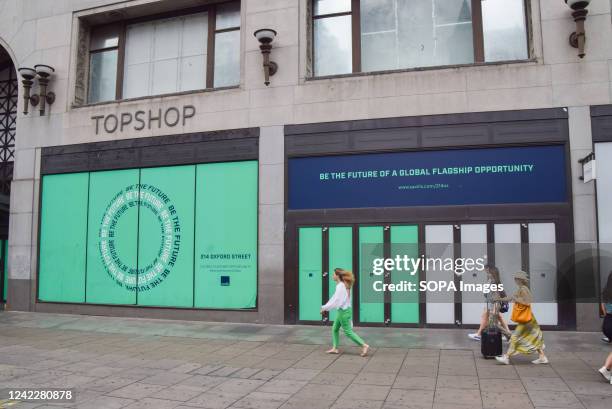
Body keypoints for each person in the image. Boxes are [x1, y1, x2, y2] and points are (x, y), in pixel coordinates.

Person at [495, 271, 549, 365]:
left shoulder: (523, 289)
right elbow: (511, 297)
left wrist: (516, 300)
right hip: (529, 319)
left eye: (516, 278)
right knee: (533, 337)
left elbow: (527, 302)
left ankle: (506, 357)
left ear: (520, 280)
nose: (515, 280)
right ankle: (542, 357)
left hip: (526, 320)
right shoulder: (521, 288)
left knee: (515, 337)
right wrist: (499, 299)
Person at [321, 268, 370, 357]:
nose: (332, 276)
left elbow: (336, 300)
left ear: (337, 276)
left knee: (348, 331)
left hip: (343, 312)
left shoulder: (341, 286)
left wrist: (325, 308)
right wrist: (326, 308)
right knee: (335, 329)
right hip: (343, 311)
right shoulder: (343, 285)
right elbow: (336, 299)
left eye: (333, 274)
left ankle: (364, 345)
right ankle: (335, 348)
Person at [468, 265, 512, 342]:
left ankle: (479, 334)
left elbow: (495, 294)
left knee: (492, 322)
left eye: (488, 271)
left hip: (492, 303)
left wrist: (496, 306)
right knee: (496, 318)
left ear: (492, 273)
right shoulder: (492, 280)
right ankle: (508, 334)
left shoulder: (494, 281)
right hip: (490, 303)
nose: (487, 273)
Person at [600, 272, 612, 344]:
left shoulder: (606, 290)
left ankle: (610, 338)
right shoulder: (607, 290)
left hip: (609, 315)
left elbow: (603, 304)